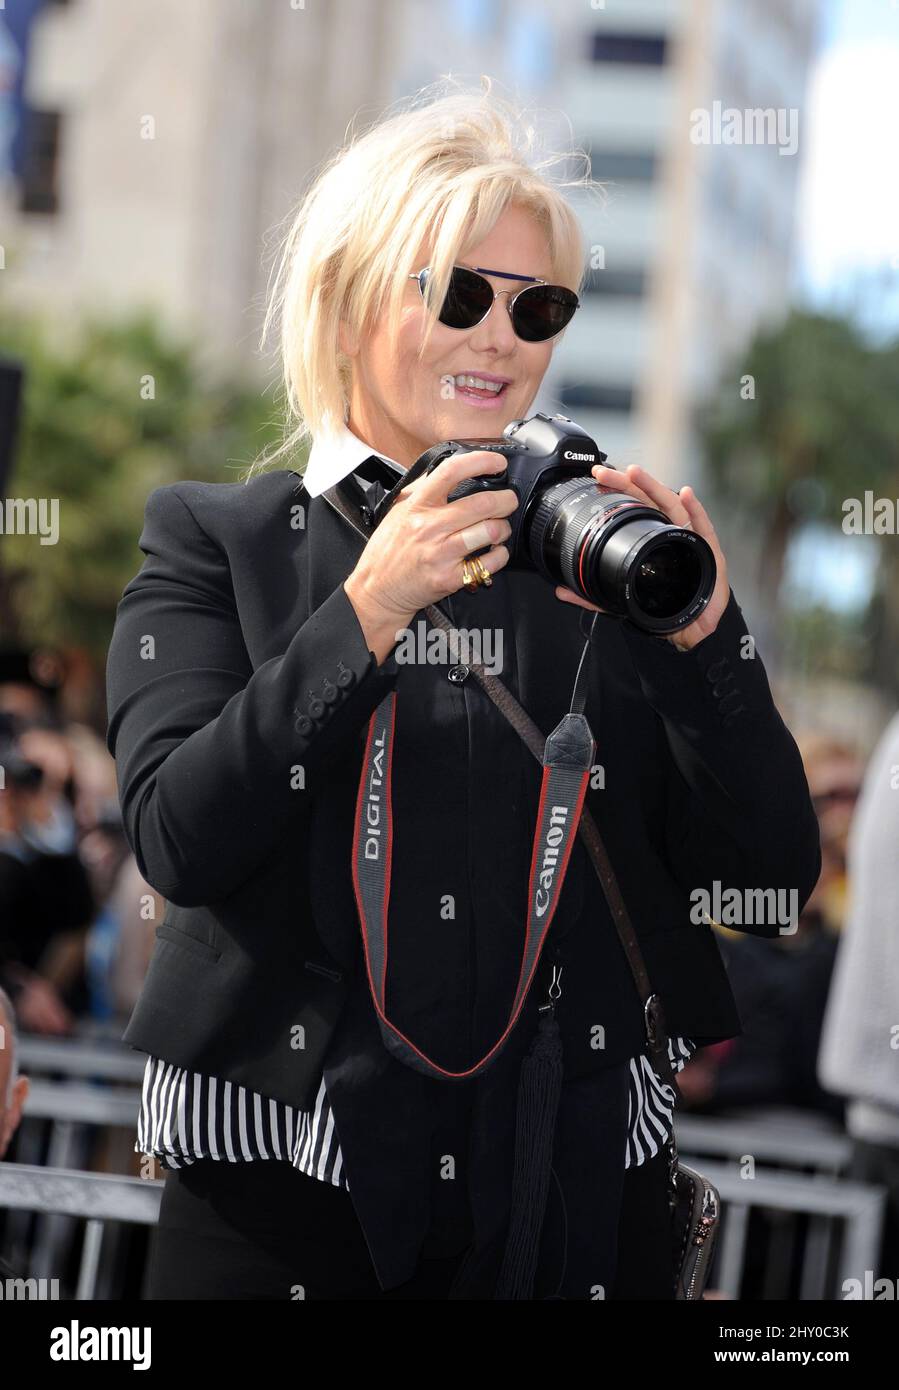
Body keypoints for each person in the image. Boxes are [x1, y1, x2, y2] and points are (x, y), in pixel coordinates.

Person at [105, 81, 821, 1301]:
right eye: (458, 292)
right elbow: (181, 836)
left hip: (568, 1199)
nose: (501, 336)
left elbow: (760, 879)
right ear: (345, 305)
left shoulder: (600, 569)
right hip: (280, 1206)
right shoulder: (219, 541)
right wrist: (367, 612)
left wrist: (707, 652)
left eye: (536, 305)